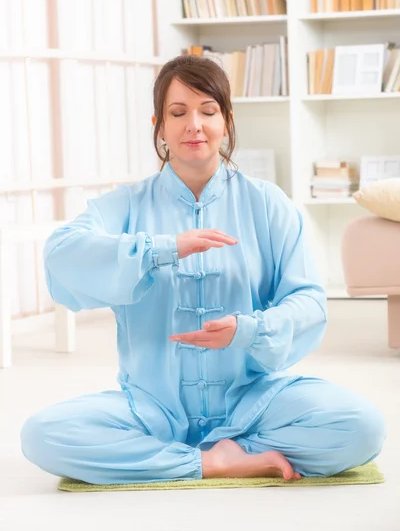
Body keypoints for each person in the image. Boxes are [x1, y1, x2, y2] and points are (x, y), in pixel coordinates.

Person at [20, 55, 386, 486]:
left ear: (227, 121)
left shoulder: (268, 204)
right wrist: (162, 248)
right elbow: (62, 254)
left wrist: (248, 329)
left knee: (363, 427)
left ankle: (224, 450)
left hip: (253, 402)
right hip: (152, 407)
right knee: (42, 435)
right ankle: (213, 462)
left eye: (208, 111)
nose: (194, 124)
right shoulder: (127, 205)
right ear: (159, 126)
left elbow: (309, 303)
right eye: (178, 113)